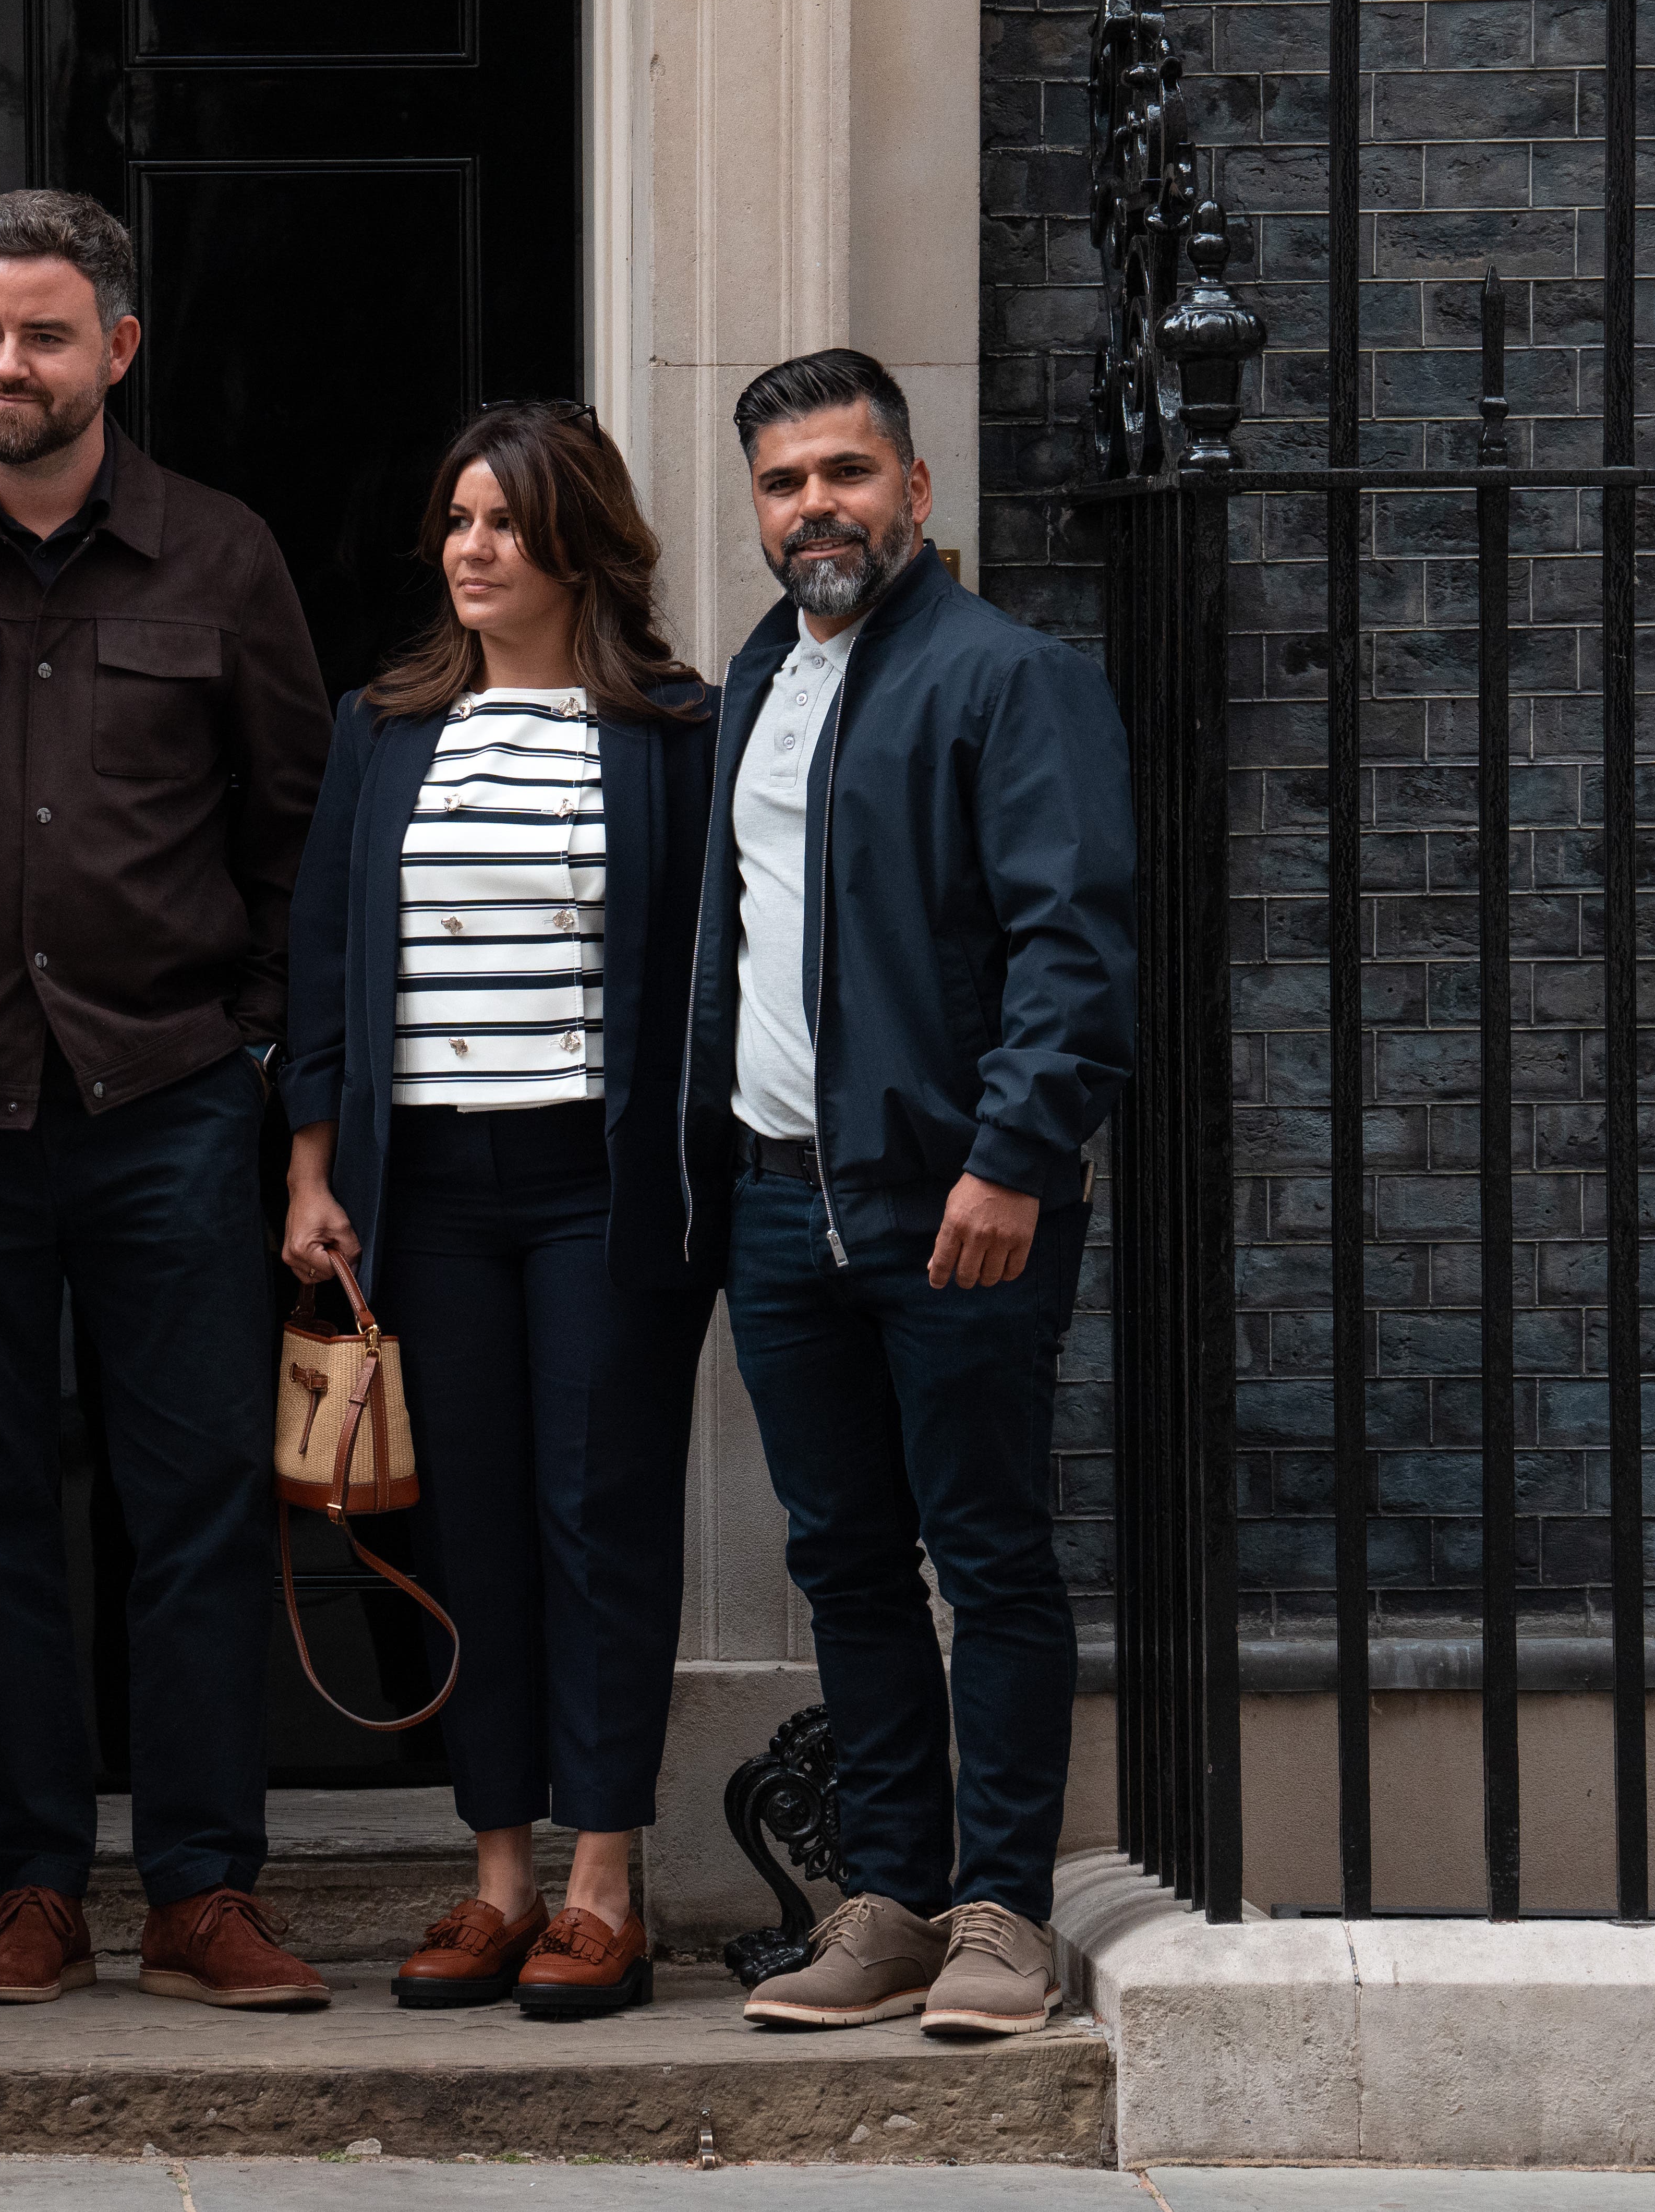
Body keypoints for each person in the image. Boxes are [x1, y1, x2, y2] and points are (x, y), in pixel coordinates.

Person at [0, 189, 334, 2013]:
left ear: (115, 349)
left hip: (171, 1104)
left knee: (194, 1501)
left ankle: (202, 1885)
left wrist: (273, 1065)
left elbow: (296, 835)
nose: (6, 367)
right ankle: (31, 1881)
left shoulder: (222, 558)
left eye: (44, 335)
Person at [689, 350, 1137, 2040]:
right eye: (784, 482)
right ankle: (885, 1901)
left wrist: (1014, 1156)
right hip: (775, 1201)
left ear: (914, 492)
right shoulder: (757, 680)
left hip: (952, 1200)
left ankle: (999, 1914)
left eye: (844, 474)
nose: (815, 506)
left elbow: (1072, 936)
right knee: (847, 1567)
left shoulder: (1004, 677)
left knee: (991, 1558)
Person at [279, 402, 722, 2019]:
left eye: (504, 524)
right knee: (462, 1523)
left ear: (577, 545)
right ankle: (495, 1879)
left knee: (598, 1519)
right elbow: (326, 960)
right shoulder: (385, 730)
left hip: (597, 1188)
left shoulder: (677, 731)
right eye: (455, 520)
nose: (470, 550)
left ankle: (604, 1884)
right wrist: (311, 1170)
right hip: (428, 1192)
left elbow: (709, 976)